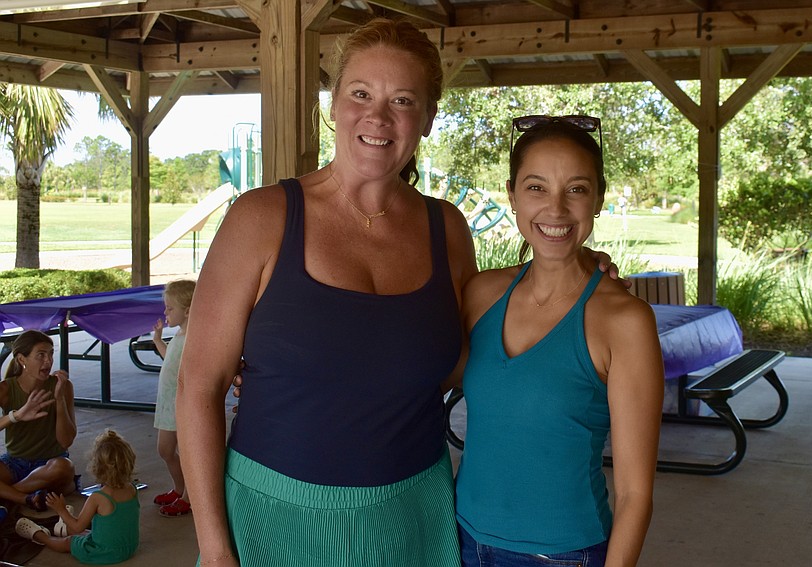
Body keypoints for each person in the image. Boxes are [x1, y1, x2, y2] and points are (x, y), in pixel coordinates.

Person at [178, 17, 620, 567]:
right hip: (273, 517)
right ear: (334, 103)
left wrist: (574, 270)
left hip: (415, 516)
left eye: (403, 100)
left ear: (428, 118)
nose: (377, 117)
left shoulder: (447, 230)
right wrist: (215, 548)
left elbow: (467, 354)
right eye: (360, 93)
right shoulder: (262, 218)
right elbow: (198, 387)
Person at [454, 116, 664, 567]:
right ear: (511, 196)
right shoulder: (481, 293)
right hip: (462, 539)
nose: (555, 209)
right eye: (536, 188)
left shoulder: (625, 321)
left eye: (576, 189)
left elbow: (634, 493)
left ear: (598, 199)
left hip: (562, 555)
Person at [15, 429, 140, 565]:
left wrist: (60, 509)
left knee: (69, 541)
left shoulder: (99, 497)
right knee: (87, 534)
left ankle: (39, 536)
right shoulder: (131, 488)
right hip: (128, 547)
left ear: (97, 468)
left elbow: (77, 527)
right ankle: (62, 528)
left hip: (106, 552)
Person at [0, 330, 76, 514]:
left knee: (63, 467)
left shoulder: (62, 386)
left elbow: (66, 441)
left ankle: (8, 495)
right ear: (22, 359)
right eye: (40, 355)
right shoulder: (6, 388)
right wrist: (16, 415)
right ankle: (27, 498)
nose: (48, 361)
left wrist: (59, 400)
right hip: (14, 462)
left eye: (50, 354)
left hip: (50, 464)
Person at [151, 279, 195, 517]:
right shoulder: (179, 334)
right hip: (168, 404)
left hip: (183, 405)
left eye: (170, 308)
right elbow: (172, 361)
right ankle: (179, 488)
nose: (165, 313)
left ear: (187, 311)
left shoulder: (194, 338)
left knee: (188, 452)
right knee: (165, 449)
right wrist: (158, 340)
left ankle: (189, 495)